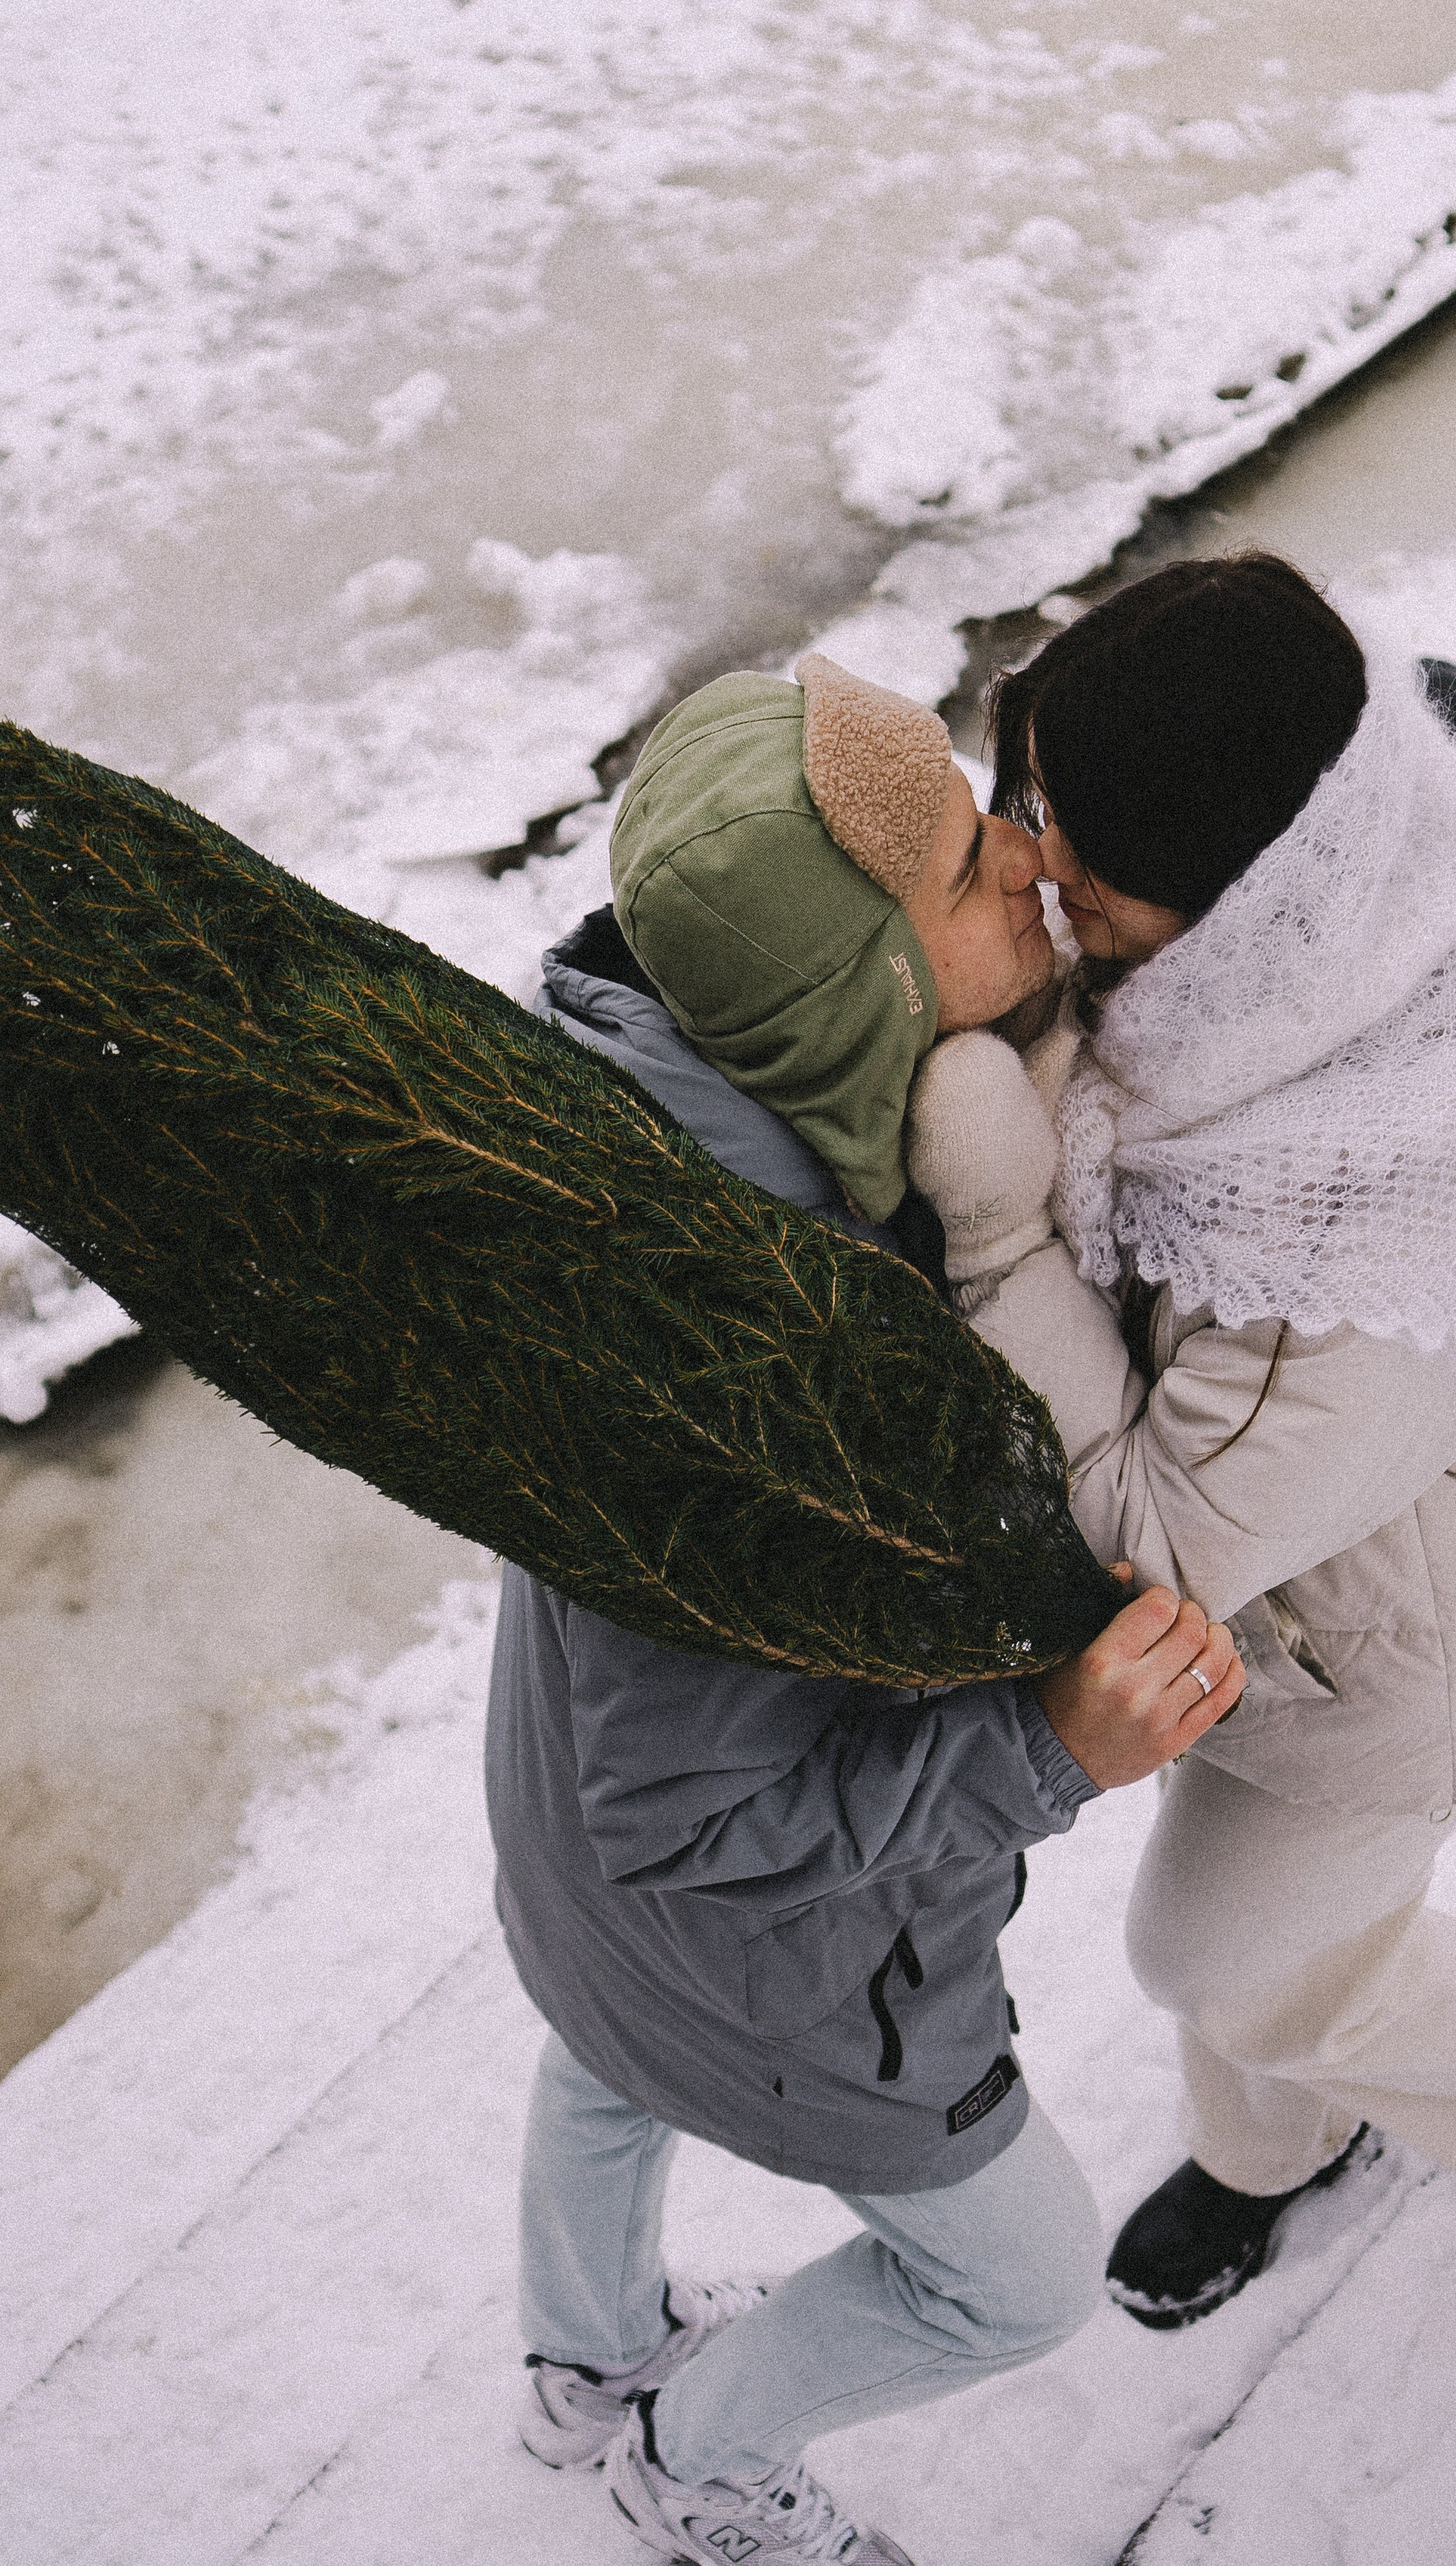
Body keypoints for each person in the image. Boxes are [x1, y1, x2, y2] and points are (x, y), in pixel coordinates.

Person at [906, 552, 1456, 2325]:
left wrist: (1001, 1232)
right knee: (1275, 1939)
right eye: (1028, 803)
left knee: (1224, 1957)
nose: (1030, 866)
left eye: (1078, 860)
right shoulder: (1355, 912)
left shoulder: (1359, 1218)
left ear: (1246, 892)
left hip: (1398, 1663)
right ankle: (1278, 2150)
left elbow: (1164, 1536)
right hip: (1311, 1600)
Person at [485, 653, 1243, 2564]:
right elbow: (694, 1818)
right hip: (771, 1960)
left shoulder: (628, 1141)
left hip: (578, 1891)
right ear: (861, 1001)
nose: (1032, 862)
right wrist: (1047, 1748)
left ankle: (585, 2360)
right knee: (1018, 2279)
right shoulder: (750, 1365)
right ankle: (696, 2457)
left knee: (602, 2054)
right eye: (972, 866)